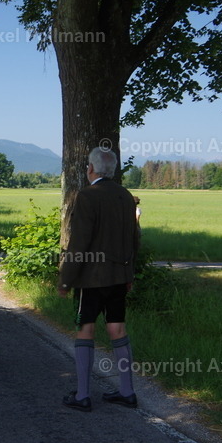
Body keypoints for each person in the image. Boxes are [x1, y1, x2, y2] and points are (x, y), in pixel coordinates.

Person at [57, 147, 140, 412]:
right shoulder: (126, 196)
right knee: (118, 329)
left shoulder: (87, 195)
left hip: (91, 278)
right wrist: (129, 273)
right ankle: (127, 391)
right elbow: (134, 238)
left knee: (85, 329)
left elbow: (79, 243)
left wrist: (66, 279)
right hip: (119, 275)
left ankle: (83, 394)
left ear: (91, 169)